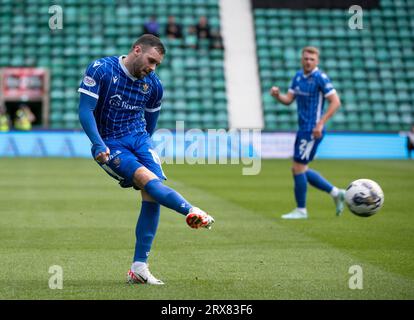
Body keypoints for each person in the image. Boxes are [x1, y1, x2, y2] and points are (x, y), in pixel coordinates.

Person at [78, 34, 214, 285]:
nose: (152, 68)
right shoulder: (101, 70)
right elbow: (85, 110)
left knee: (153, 192)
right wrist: (98, 143)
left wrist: (145, 147)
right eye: (151, 61)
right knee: (145, 179)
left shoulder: (153, 85)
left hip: (140, 140)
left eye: (157, 65)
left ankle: (139, 268)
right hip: (110, 143)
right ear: (137, 50)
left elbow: (151, 121)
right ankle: (191, 210)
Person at [270, 46, 345, 219]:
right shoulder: (298, 77)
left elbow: (335, 102)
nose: (308, 61)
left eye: (312, 59)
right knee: (300, 168)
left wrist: (320, 123)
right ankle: (335, 192)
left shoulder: (320, 78)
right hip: (303, 128)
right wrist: (277, 95)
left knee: (298, 168)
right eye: (306, 58)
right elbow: (288, 100)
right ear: (301, 59)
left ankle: (301, 210)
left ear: (317, 61)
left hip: (312, 129)